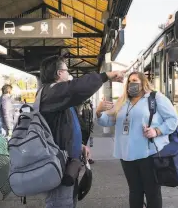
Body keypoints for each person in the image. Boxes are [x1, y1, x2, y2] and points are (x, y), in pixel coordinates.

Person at [38, 55, 126, 208]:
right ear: (59, 73)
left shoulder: (56, 95)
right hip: (58, 163)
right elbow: (78, 87)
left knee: (68, 200)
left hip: (67, 161)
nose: (69, 74)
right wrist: (107, 75)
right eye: (66, 70)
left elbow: (63, 128)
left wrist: (79, 146)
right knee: (60, 202)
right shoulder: (52, 92)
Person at [96, 72, 178, 208]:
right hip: (126, 154)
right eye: (129, 81)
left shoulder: (155, 98)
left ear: (143, 82)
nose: (131, 83)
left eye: (134, 80)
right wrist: (99, 112)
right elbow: (108, 121)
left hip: (148, 153)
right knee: (135, 191)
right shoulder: (122, 101)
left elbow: (173, 119)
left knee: (152, 192)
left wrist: (156, 131)